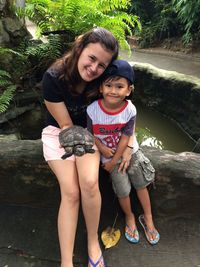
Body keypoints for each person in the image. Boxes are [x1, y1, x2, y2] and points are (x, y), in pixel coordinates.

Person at [41, 27, 120, 267]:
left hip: (90, 134)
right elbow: (65, 125)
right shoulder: (54, 77)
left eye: (102, 65)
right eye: (92, 58)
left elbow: (118, 111)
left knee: (89, 182)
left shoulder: (104, 81)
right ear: (80, 49)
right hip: (59, 132)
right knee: (71, 192)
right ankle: (66, 261)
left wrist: (124, 144)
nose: (94, 68)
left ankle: (93, 242)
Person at [87, 59, 160, 246]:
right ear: (101, 88)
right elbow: (89, 133)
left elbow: (127, 136)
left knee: (141, 183)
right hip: (108, 156)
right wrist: (102, 148)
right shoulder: (93, 110)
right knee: (123, 190)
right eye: (108, 85)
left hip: (128, 152)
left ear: (128, 90)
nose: (113, 90)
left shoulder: (129, 110)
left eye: (119, 86)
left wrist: (116, 159)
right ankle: (129, 217)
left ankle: (148, 217)